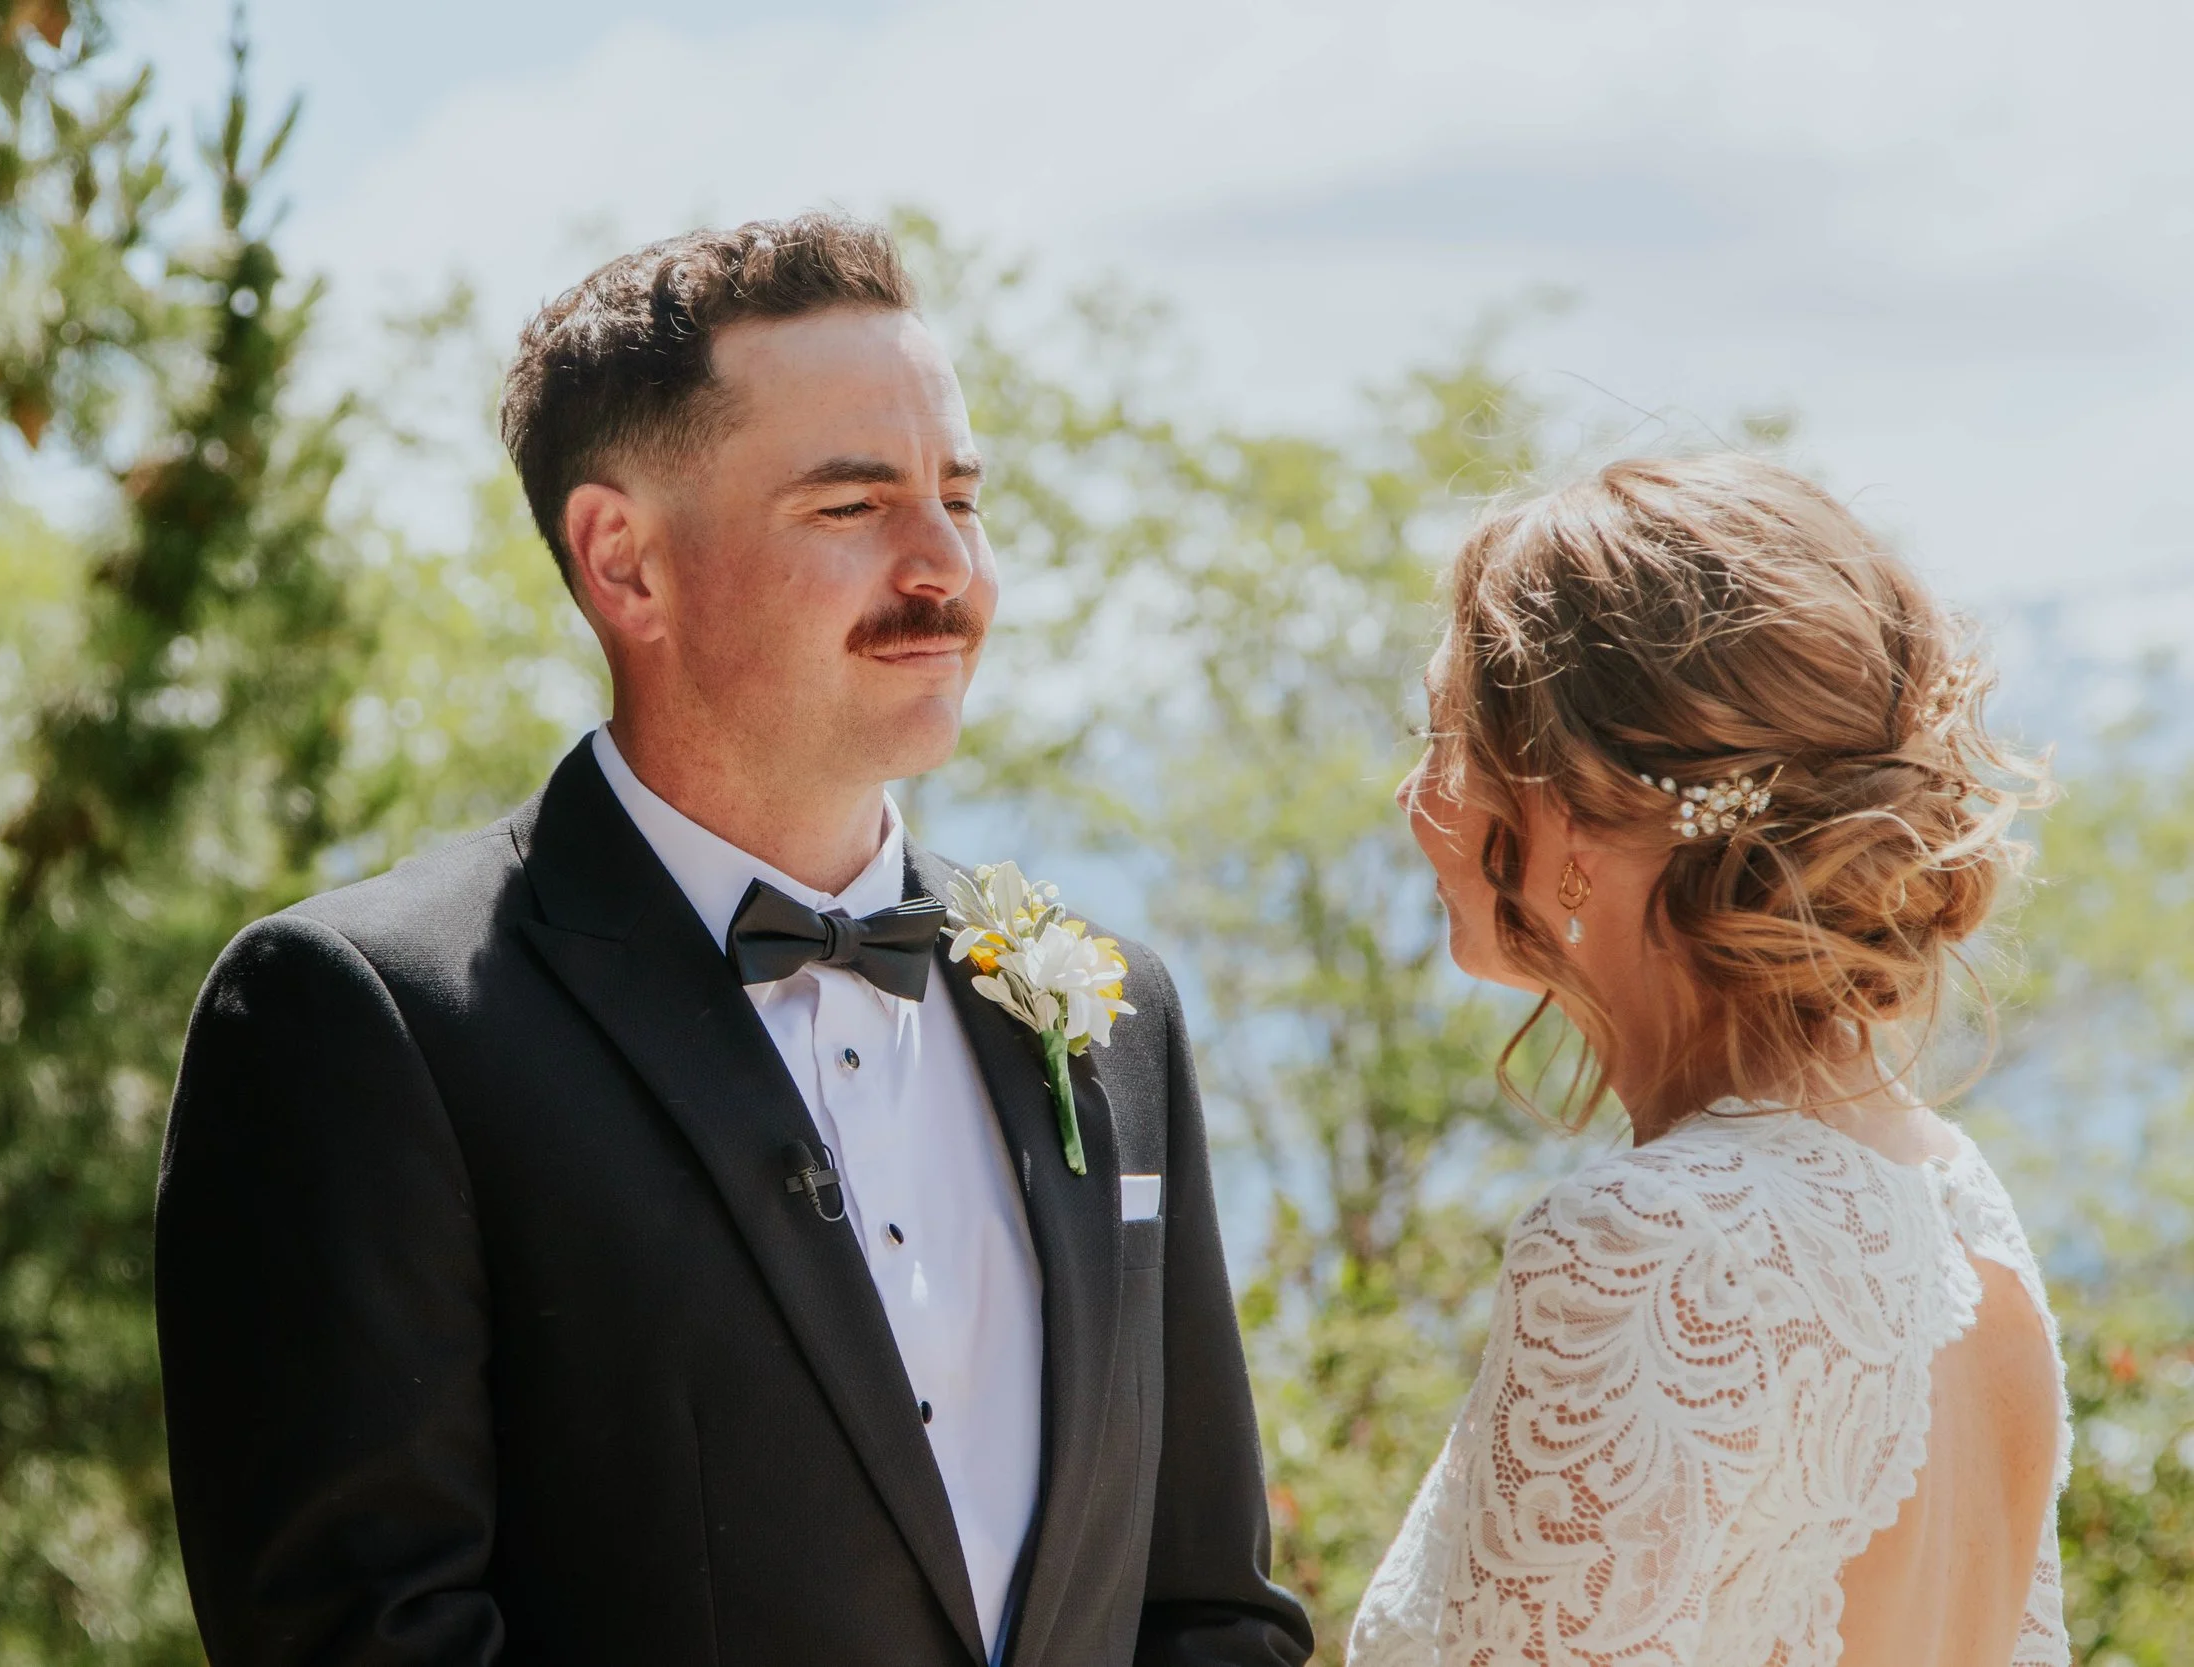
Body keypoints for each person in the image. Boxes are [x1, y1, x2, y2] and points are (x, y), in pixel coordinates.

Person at [153, 213, 1312, 1667]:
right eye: (852, 506)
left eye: (962, 494)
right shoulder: (369, 1021)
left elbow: (1207, 1607)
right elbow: (363, 1637)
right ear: (624, 561)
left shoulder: (1112, 1011)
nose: (945, 565)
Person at [1348, 455, 2068, 1667]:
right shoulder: (1962, 1210)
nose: (1416, 797)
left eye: (1448, 739)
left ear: (1573, 813)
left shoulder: (1645, 1246)